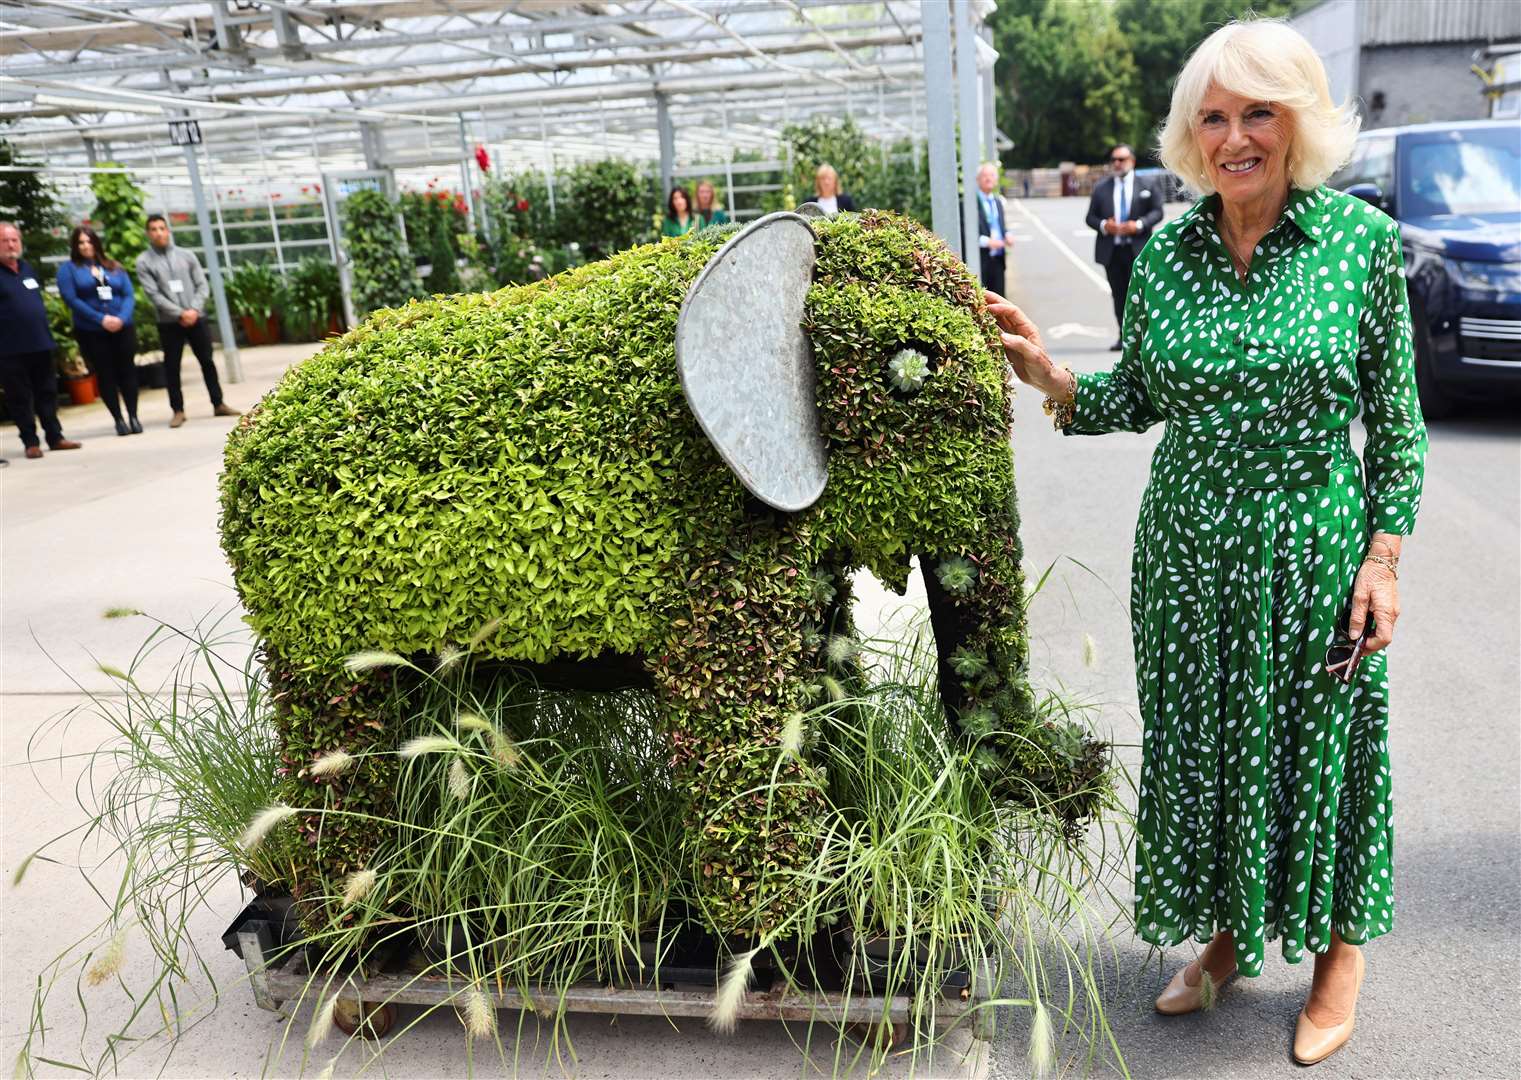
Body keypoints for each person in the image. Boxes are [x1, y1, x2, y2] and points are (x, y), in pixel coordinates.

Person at [986, 18, 1426, 1068]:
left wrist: (1383, 560)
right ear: (1191, 134)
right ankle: (1228, 938)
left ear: (1300, 122)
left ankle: (1336, 960)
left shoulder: (1357, 245)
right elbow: (1138, 393)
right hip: (1186, 555)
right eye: (1214, 117)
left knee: (1327, 752)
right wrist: (1057, 383)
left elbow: (1397, 422)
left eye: (1257, 112)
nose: (1234, 137)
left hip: (1312, 550)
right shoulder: (1169, 253)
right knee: (1210, 749)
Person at [137, 214, 239, 428]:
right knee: (172, 367)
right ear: (148, 234)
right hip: (169, 323)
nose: (158, 232)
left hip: (196, 318)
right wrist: (179, 313)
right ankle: (178, 410)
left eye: (162, 228)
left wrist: (193, 309)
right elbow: (153, 294)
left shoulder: (187, 255)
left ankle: (218, 403)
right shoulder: (144, 261)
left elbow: (202, 284)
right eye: (154, 229)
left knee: (207, 361)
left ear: (168, 231)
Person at [0, 221, 82, 460]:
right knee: (20, 397)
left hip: (40, 343)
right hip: (9, 348)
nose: (11, 244)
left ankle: (55, 437)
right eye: (4, 240)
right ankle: (30, 442)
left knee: (47, 392)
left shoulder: (27, 268)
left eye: (14, 239)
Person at [56, 225, 141, 437]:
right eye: (81, 243)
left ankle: (133, 416)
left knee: (127, 371)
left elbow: (129, 294)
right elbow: (71, 299)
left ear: (96, 243)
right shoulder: (68, 270)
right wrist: (100, 319)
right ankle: (119, 419)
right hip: (92, 330)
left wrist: (121, 318)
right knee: (106, 374)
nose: (86, 246)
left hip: (122, 327)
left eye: (89, 241)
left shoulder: (113, 266)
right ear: (75, 246)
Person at [1086, 143, 1164, 349]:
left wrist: (1138, 225)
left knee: (1143, 294)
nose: (1117, 164)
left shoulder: (1146, 184)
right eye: (1114, 160)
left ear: (1132, 161)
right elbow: (1090, 217)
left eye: (1121, 159)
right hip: (1112, 252)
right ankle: (1124, 337)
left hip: (1139, 251)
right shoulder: (1102, 187)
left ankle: (1147, 338)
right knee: (1119, 295)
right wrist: (1105, 226)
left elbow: (1158, 212)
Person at [975, 163, 1015, 297]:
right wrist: (988, 242)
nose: (988, 179)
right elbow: (967, 232)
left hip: (998, 259)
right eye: (984, 175)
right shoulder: (971, 203)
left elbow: (1001, 227)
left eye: (992, 175)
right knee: (983, 301)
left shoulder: (997, 202)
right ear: (978, 179)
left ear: (996, 180)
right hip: (982, 259)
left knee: (1000, 300)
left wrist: (1008, 234)